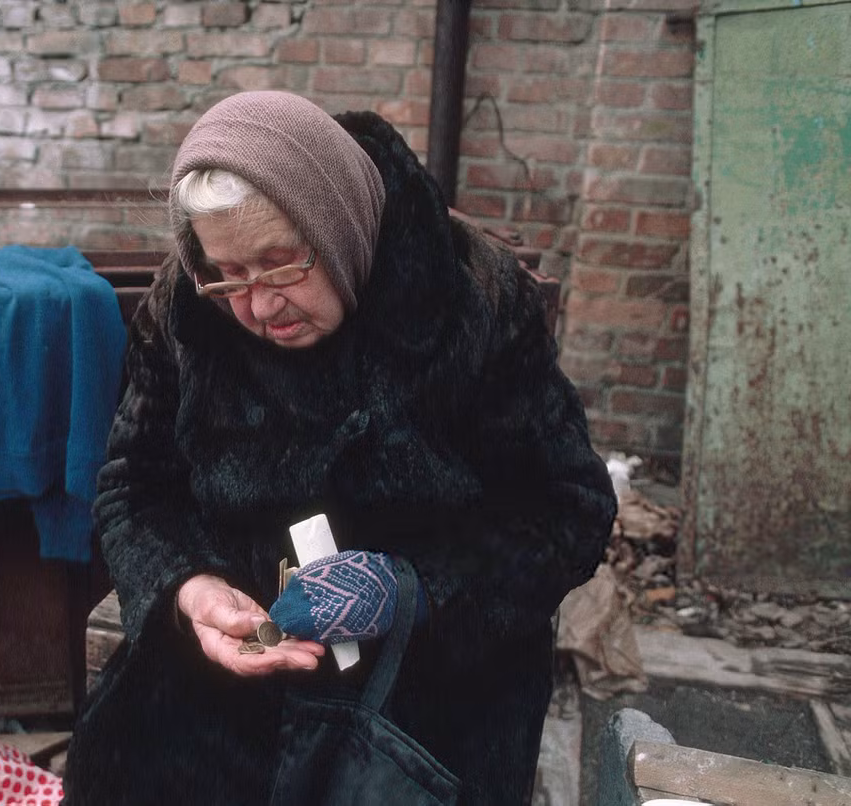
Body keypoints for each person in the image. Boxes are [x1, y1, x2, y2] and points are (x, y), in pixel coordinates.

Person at [63, 91, 617, 805]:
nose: (257, 305)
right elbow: (134, 486)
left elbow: (569, 509)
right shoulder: (189, 308)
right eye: (229, 273)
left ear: (337, 227)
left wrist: (412, 589)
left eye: (282, 264)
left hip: (431, 673)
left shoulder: (472, 300)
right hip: (245, 648)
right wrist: (188, 590)